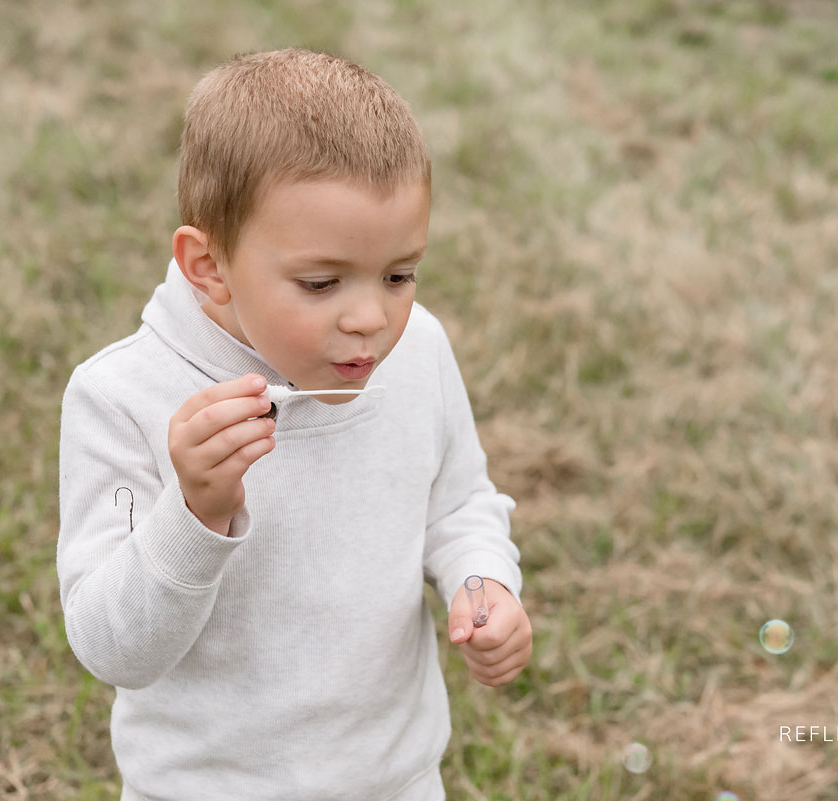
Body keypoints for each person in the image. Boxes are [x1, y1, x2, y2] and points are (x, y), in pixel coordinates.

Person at [56, 48, 532, 801]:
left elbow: (458, 500)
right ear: (208, 266)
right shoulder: (122, 397)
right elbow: (112, 647)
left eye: (400, 274)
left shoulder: (416, 354)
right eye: (321, 283)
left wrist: (483, 580)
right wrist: (195, 514)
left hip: (393, 779)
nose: (371, 317)